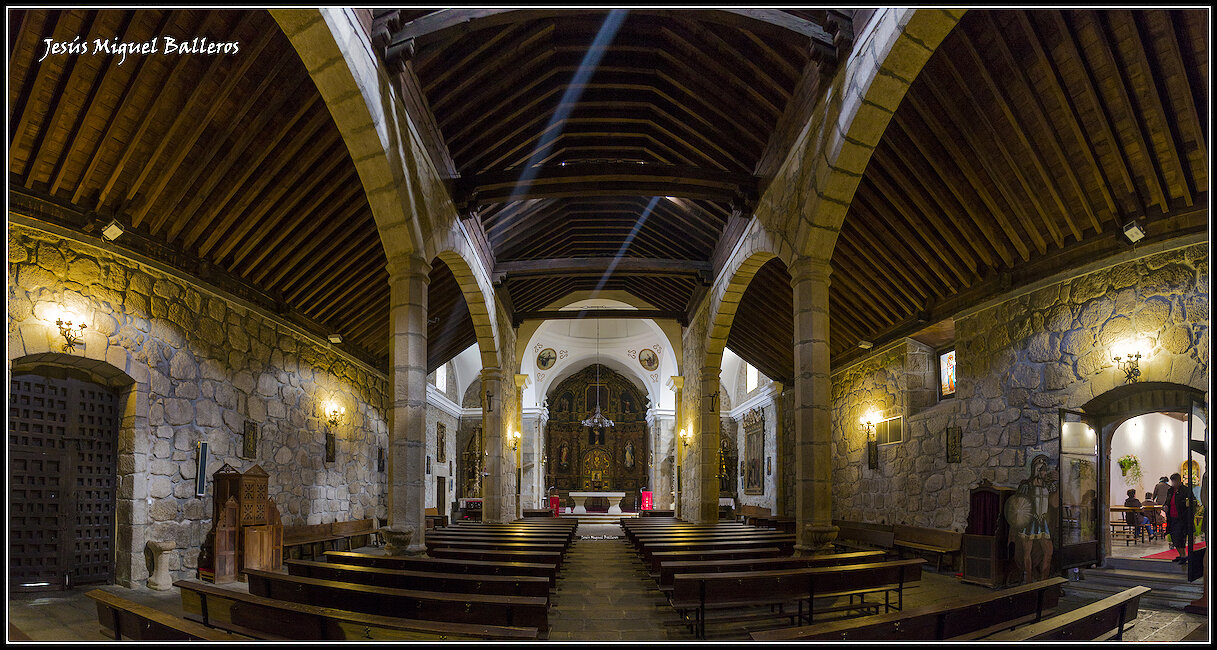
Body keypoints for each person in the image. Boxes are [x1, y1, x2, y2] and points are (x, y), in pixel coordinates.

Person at [1165, 472, 1197, 563]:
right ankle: (1181, 555)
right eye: (1172, 481)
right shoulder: (1170, 490)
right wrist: (1165, 506)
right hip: (1172, 517)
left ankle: (1184, 555)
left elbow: (1192, 503)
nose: (1173, 483)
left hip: (1181, 518)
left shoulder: (1186, 490)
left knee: (1179, 537)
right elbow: (1167, 501)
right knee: (1174, 537)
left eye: (1175, 481)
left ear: (1179, 481)